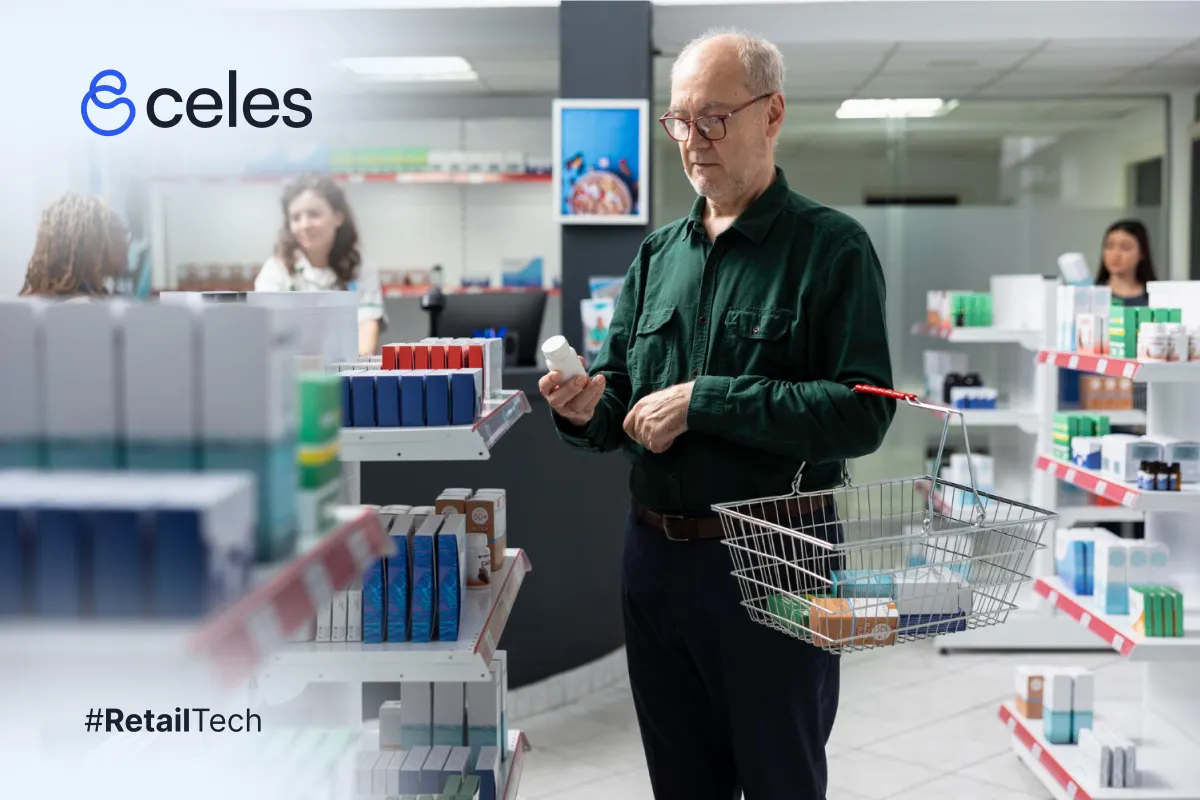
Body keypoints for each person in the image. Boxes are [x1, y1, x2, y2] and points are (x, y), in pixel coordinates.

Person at [539, 29, 895, 800]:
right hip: (654, 560)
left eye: (712, 119)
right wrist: (582, 409)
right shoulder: (657, 257)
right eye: (678, 122)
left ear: (772, 115)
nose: (691, 142)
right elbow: (621, 408)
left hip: (776, 554)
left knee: (780, 777)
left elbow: (863, 414)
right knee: (681, 783)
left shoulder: (832, 250)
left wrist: (708, 401)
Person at [255, 174, 387, 356]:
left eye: (314, 214)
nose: (305, 225)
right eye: (295, 217)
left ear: (338, 217)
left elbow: (368, 324)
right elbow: (268, 332)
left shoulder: (361, 267)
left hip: (347, 372)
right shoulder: (276, 270)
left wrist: (354, 367)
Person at [20, 193, 129, 298]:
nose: (126, 241)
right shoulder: (87, 309)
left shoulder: (31, 304)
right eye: (118, 231)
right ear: (91, 240)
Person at [1095, 219, 1158, 307]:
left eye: (1125, 247)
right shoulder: (1093, 296)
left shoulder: (1155, 297)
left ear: (1142, 253)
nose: (1115, 254)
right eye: (1110, 246)